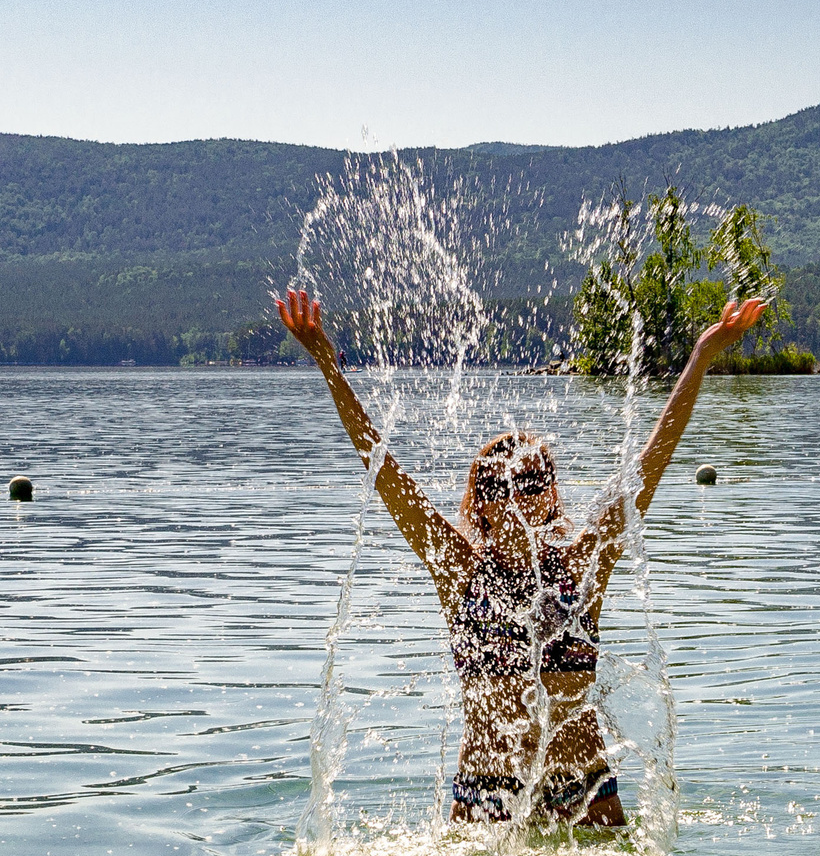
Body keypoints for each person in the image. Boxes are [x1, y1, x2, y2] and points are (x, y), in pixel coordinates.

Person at [275, 288, 767, 828]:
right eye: (507, 481)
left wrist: (703, 353)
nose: (524, 491)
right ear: (481, 502)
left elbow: (652, 459)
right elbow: (381, 466)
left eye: (535, 479)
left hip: (583, 787)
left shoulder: (582, 563)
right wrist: (325, 357)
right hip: (485, 788)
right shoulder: (458, 568)